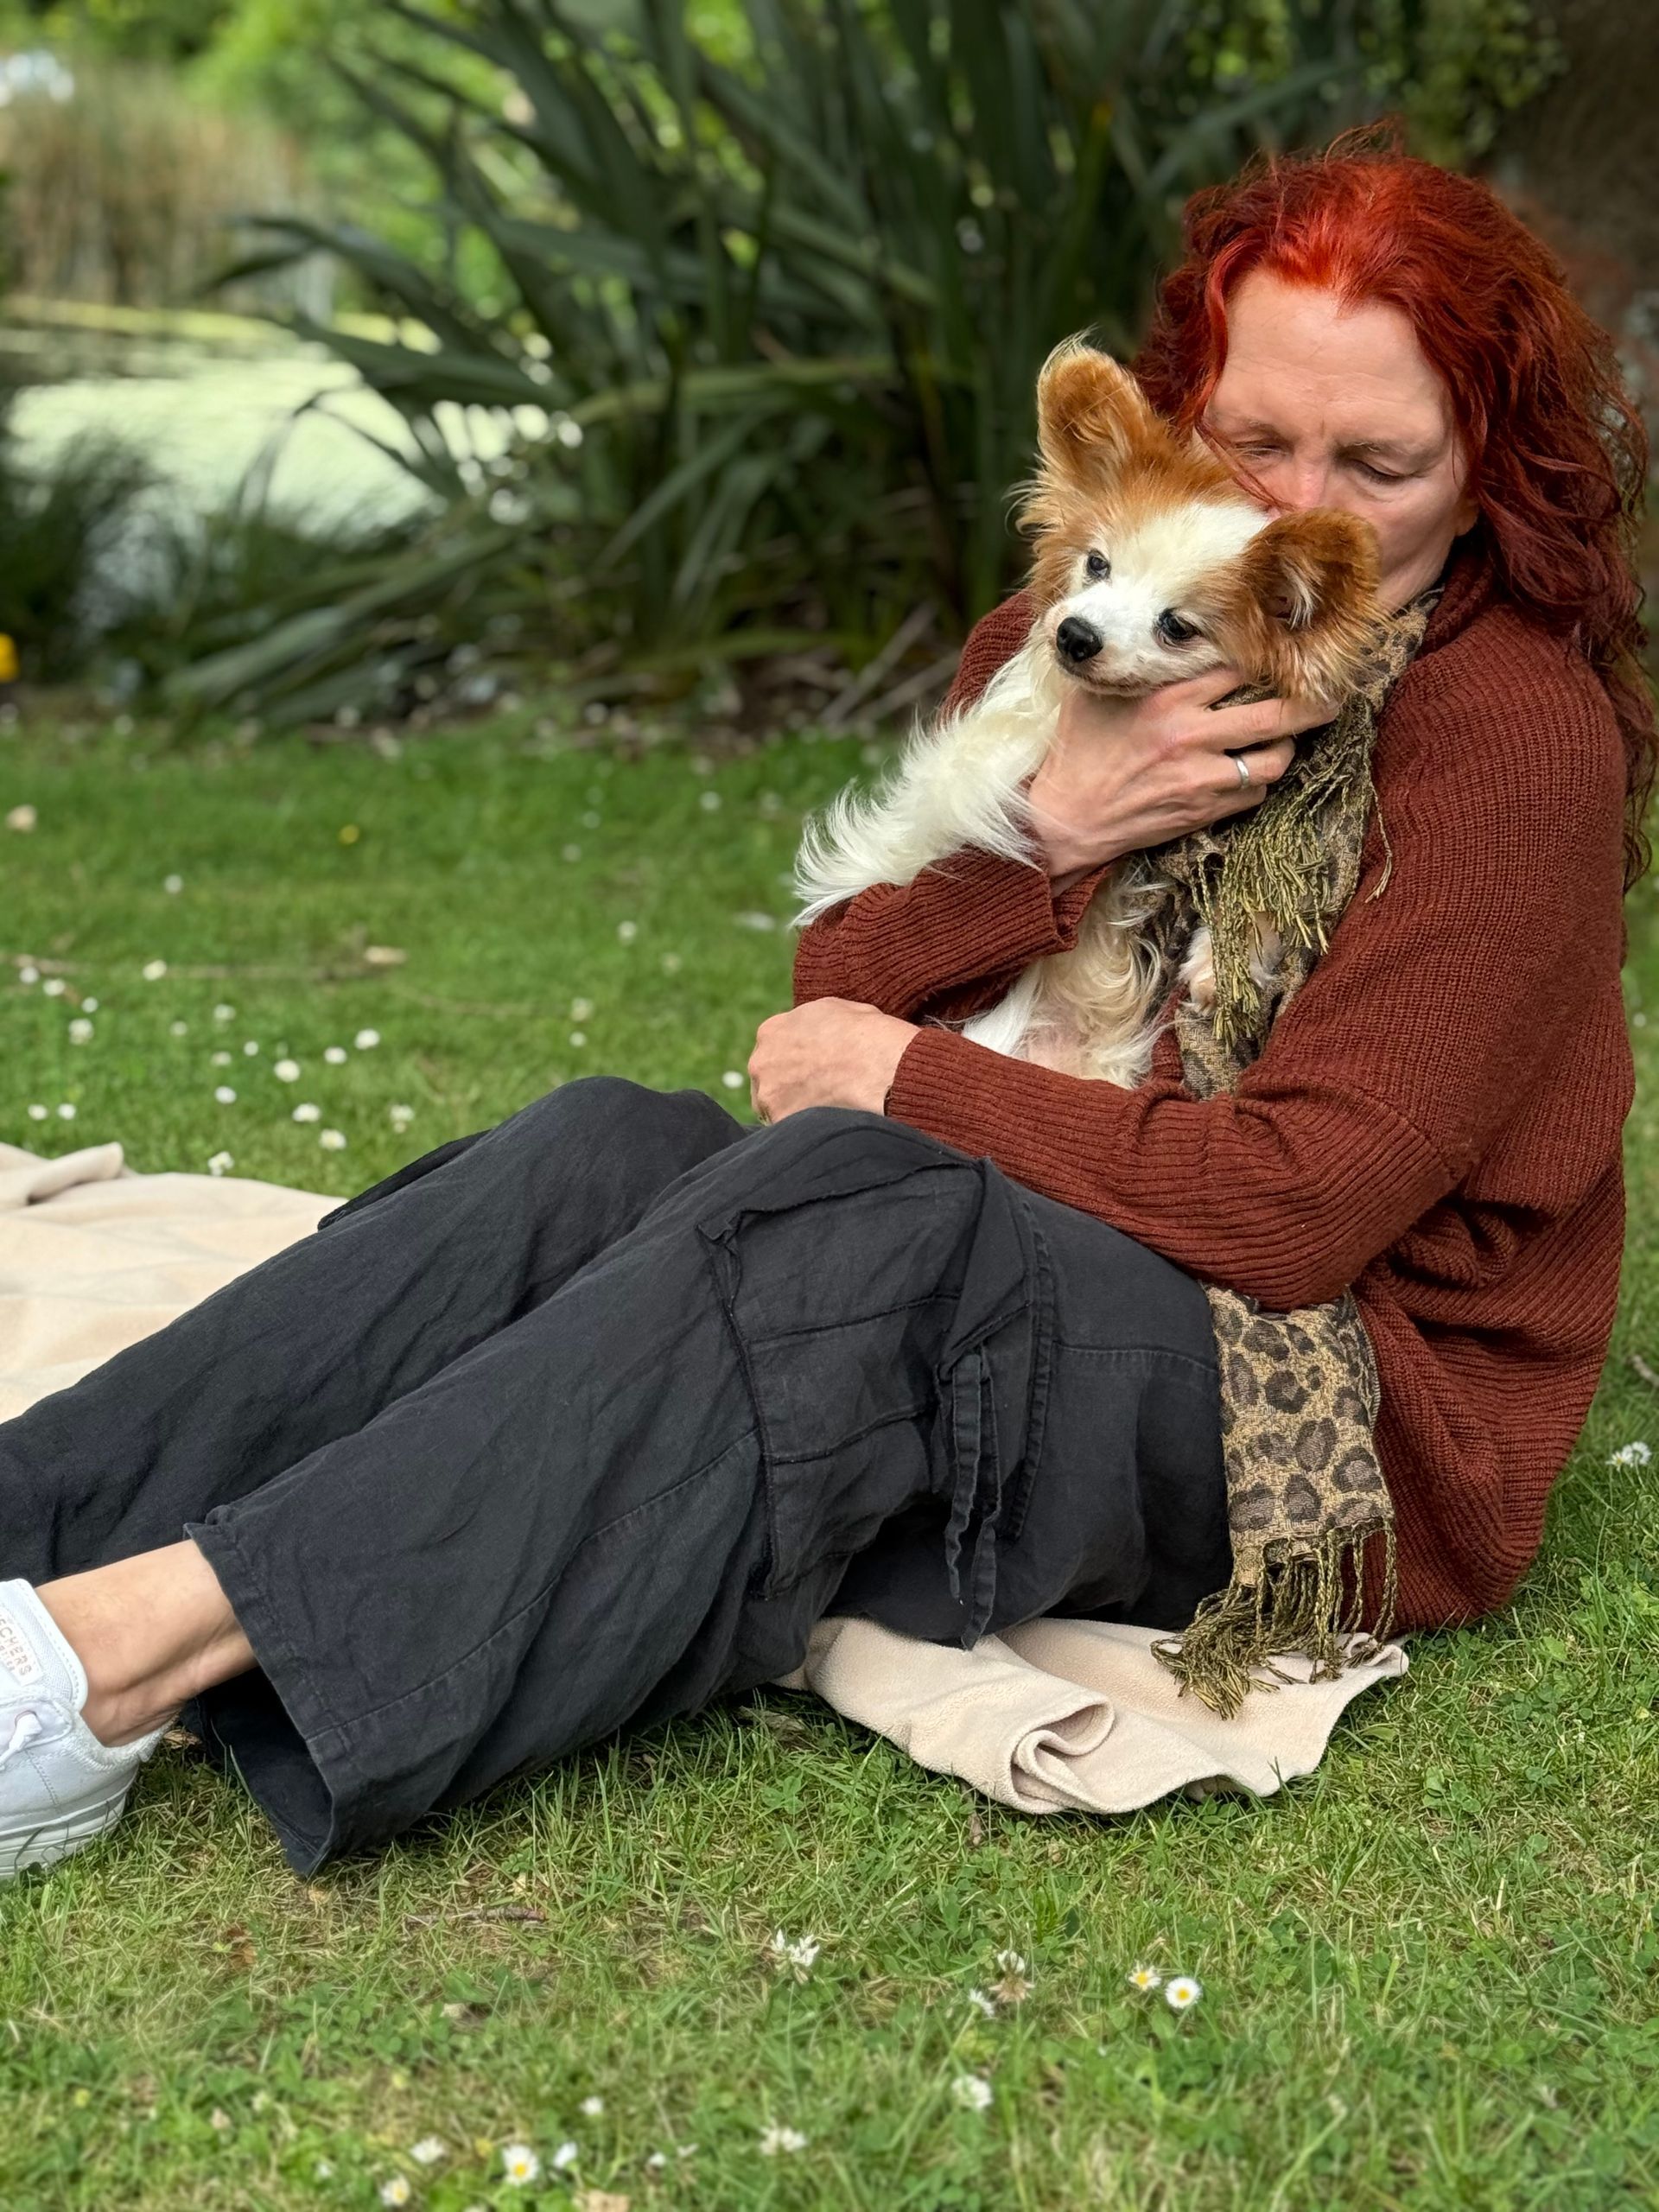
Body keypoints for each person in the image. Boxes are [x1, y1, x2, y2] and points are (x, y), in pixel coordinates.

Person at [0, 137, 1647, 1879]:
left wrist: (909, 1087)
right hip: (1059, 1253)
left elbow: (1298, 1207)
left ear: (1486, 463)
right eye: (1254, 439)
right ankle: (28, 1526)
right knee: (604, 1148)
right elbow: (838, 995)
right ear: (1185, 411)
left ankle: (102, 1674)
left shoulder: (1511, 737)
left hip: (1332, 1415)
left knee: (859, 1223)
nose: (1301, 498)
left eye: (1380, 463)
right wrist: (1055, 829)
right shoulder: (1092, 619)